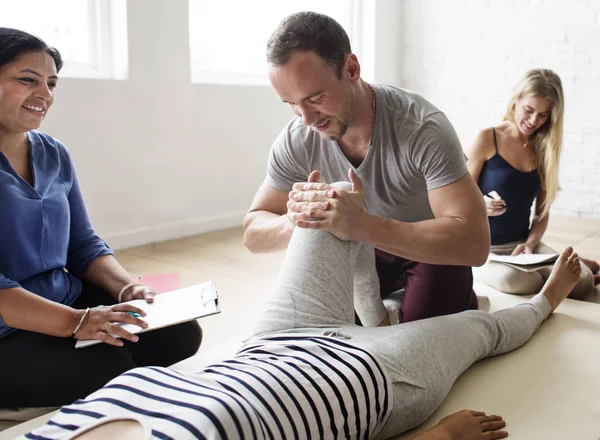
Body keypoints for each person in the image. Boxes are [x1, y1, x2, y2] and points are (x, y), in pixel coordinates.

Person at [21, 225, 582, 440]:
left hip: (269, 343)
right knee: (475, 327)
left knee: (330, 213)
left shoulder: (47, 434)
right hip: (376, 380)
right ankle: (543, 300)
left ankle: (373, 310)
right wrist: (440, 438)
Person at [243, 11, 490, 324]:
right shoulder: (297, 137)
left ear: (351, 69)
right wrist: (293, 222)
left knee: (416, 344)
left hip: (428, 249)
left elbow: (476, 244)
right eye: (290, 103)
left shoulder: (421, 128)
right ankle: (395, 305)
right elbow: (252, 232)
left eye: (316, 97)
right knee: (333, 337)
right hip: (361, 254)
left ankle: (458, 300)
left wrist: (361, 225)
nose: (305, 118)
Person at [0, 28, 201, 409]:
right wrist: (75, 323)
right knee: (106, 365)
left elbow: (82, 244)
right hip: (6, 325)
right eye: (28, 80)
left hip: (63, 298)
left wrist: (128, 289)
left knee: (178, 334)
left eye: (52, 84)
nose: (45, 95)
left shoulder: (53, 152)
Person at [467, 68, 599, 298]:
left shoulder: (545, 148)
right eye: (528, 110)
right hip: (485, 250)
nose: (533, 121)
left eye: (542, 115)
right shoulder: (488, 138)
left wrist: (530, 244)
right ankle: (565, 266)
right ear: (516, 100)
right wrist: (481, 204)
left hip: (525, 247)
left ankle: (574, 266)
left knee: (584, 283)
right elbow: (459, 198)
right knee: (520, 282)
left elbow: (541, 213)